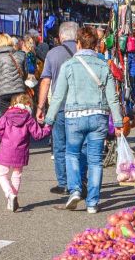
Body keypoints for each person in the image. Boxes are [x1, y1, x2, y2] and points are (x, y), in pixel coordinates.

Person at [45, 26, 123, 214]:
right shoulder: (104, 66)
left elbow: (58, 96)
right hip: (98, 117)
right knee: (95, 160)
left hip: (74, 118)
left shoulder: (69, 66)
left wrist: (49, 119)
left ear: (78, 44)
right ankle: (92, 203)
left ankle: (76, 189)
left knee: (72, 154)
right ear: (96, 45)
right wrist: (119, 123)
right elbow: (113, 98)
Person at [37, 22, 87, 195]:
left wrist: (40, 106)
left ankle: (64, 183)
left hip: (61, 106)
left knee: (60, 146)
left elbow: (45, 81)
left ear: (60, 36)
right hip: (83, 106)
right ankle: (81, 180)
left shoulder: (53, 53)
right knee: (80, 145)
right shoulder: (86, 52)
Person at [0, 93, 51, 212]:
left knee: (2, 175)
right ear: (28, 105)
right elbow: (38, 134)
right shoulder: (28, 118)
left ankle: (10, 194)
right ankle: (13, 197)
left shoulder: (6, 116)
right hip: (21, 150)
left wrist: (2, 140)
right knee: (17, 174)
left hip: (6, 149)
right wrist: (48, 127)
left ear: (14, 103)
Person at [0, 34, 27, 115]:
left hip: (3, 93)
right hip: (18, 91)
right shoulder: (21, 55)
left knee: (6, 117)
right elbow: (25, 74)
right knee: (18, 116)